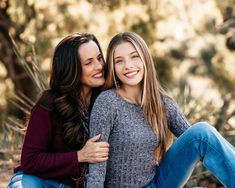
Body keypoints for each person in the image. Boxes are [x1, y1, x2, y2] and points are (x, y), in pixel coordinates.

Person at [86, 31, 235, 188]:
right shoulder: (107, 102)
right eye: (119, 61)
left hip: (159, 182)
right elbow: (96, 168)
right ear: (112, 67)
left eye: (134, 56)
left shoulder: (161, 102)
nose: (128, 65)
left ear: (145, 58)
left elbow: (196, 141)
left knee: (202, 132)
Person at [7, 33, 109, 188]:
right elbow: (29, 161)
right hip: (40, 180)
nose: (99, 66)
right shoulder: (49, 103)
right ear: (72, 68)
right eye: (89, 63)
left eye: (99, 58)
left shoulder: (108, 100)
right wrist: (80, 156)